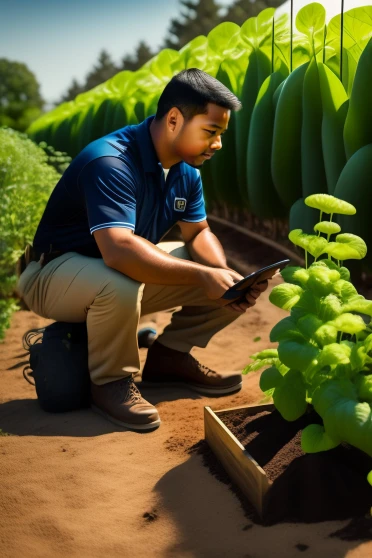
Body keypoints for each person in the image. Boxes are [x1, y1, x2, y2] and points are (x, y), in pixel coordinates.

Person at [16, 68, 269, 432]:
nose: (217, 145)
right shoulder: (111, 161)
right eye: (210, 132)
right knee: (119, 282)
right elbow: (118, 251)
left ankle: (170, 359)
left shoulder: (186, 172)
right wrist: (202, 275)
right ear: (173, 119)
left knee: (215, 269)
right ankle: (111, 382)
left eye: (221, 135)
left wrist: (223, 276)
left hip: (105, 271)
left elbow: (198, 233)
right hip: (51, 274)